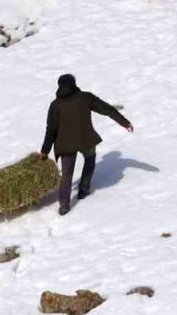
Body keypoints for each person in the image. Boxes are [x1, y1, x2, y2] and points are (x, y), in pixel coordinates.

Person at [39, 74, 133, 215]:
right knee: (90, 159)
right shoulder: (85, 97)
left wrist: (45, 150)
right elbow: (106, 109)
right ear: (74, 84)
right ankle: (83, 189)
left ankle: (64, 205)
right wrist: (124, 122)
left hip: (65, 145)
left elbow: (51, 129)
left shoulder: (55, 105)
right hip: (86, 140)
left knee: (66, 175)